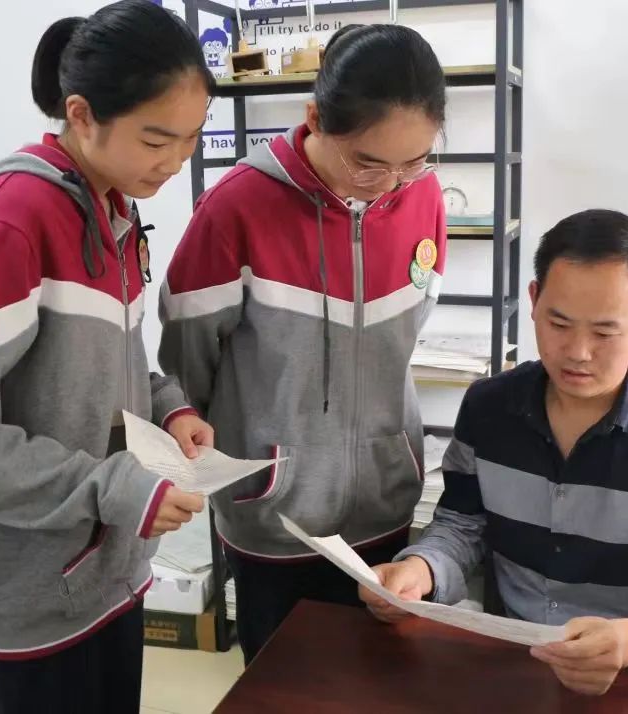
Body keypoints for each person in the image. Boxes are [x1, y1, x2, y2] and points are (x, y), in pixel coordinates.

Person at [0, 2, 215, 711]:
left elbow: (113, 356)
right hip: (26, 604)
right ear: (80, 114)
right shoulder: (10, 221)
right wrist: (113, 488)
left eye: (191, 140)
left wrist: (170, 408)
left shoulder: (116, 206)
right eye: (156, 139)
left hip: (108, 579)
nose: (174, 162)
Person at [360, 209, 628, 696]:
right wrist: (417, 572)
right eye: (559, 323)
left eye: (604, 332)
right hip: (512, 662)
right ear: (533, 301)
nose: (578, 352)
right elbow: (461, 527)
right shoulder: (489, 408)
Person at [158, 23, 448, 663]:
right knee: (283, 686)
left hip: (385, 508)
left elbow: (405, 333)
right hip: (275, 516)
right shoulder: (237, 207)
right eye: (368, 162)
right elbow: (186, 364)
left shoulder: (422, 196)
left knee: (381, 684)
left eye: (415, 160)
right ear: (315, 118)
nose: (391, 183)